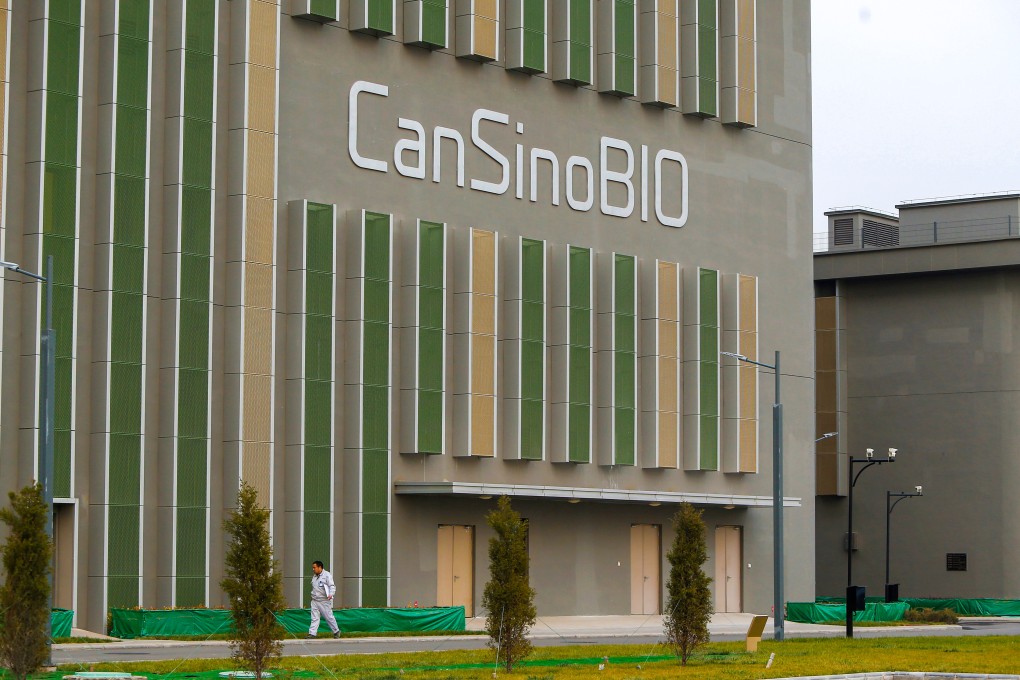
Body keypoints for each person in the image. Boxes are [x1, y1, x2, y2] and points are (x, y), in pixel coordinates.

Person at [306, 561, 341, 639]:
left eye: (314, 567)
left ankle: (336, 631)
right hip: (315, 600)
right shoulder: (314, 576)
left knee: (329, 617)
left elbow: (332, 586)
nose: (313, 569)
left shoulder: (327, 575)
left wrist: (331, 594)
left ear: (320, 567)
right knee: (314, 617)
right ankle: (312, 633)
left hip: (324, 600)